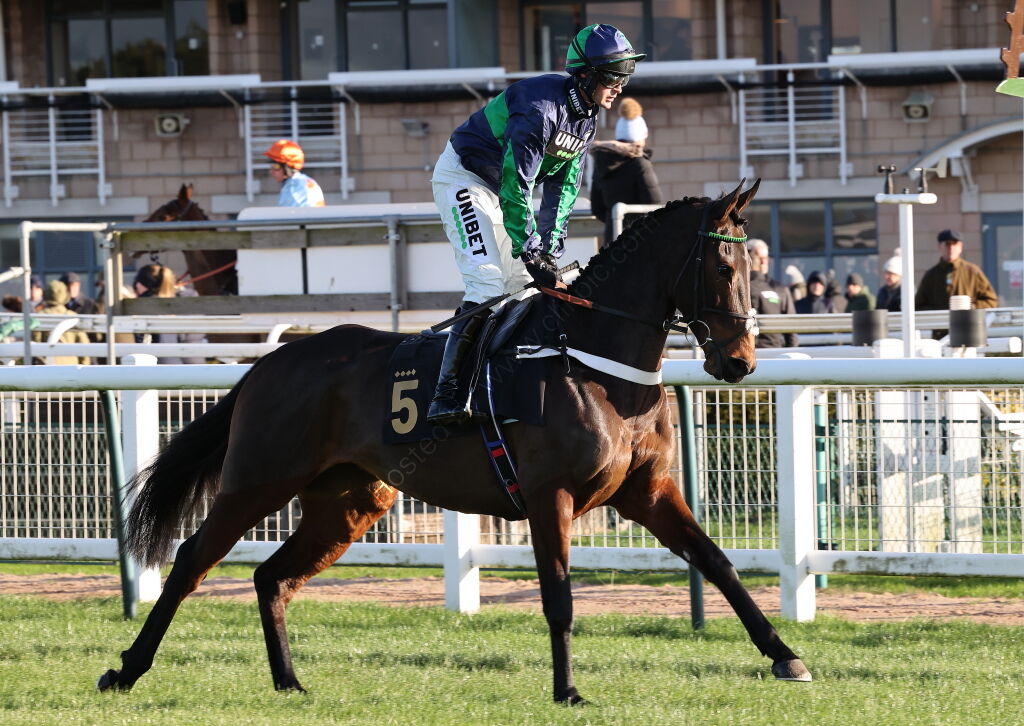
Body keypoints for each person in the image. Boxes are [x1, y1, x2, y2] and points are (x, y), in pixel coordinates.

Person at [427, 23, 645, 424]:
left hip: (501, 188)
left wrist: (549, 250)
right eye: (614, 76)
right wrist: (530, 250)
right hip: (467, 177)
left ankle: (497, 385)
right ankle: (448, 393)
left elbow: (564, 189)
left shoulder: (586, 117)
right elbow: (517, 184)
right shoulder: (539, 110)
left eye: (625, 75)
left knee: (518, 288)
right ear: (586, 74)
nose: (620, 86)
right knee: (489, 279)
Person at [589, 98, 662, 245]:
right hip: (638, 240)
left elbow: (597, 207)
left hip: (612, 240)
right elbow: (654, 204)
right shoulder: (640, 163)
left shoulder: (602, 160)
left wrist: (614, 220)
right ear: (641, 136)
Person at [133, 264, 207, 364]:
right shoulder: (190, 298)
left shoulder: (146, 306)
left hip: (164, 366)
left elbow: (139, 340)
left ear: (140, 284)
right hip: (196, 363)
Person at [916, 229, 998, 311]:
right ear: (940, 247)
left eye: (955, 244)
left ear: (960, 247)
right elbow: (918, 305)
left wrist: (971, 307)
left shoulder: (973, 272)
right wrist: (938, 313)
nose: (951, 248)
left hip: (967, 321)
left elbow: (991, 301)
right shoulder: (931, 275)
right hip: (941, 322)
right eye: (947, 244)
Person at [746, 239, 797, 348]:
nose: (763, 262)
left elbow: (792, 329)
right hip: (744, 355)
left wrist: (792, 358)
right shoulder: (735, 288)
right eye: (758, 257)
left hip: (774, 354)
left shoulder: (780, 289)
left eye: (766, 258)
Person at [31, 280, 90, 364]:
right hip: (71, 366)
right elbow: (83, 344)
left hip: (47, 367)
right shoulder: (72, 316)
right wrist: (84, 366)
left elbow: (36, 343)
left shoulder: (40, 316)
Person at [263, 139, 325, 208]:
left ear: (287, 167)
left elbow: (284, 216)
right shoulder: (307, 181)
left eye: (275, 166)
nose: (271, 171)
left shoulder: (292, 188)